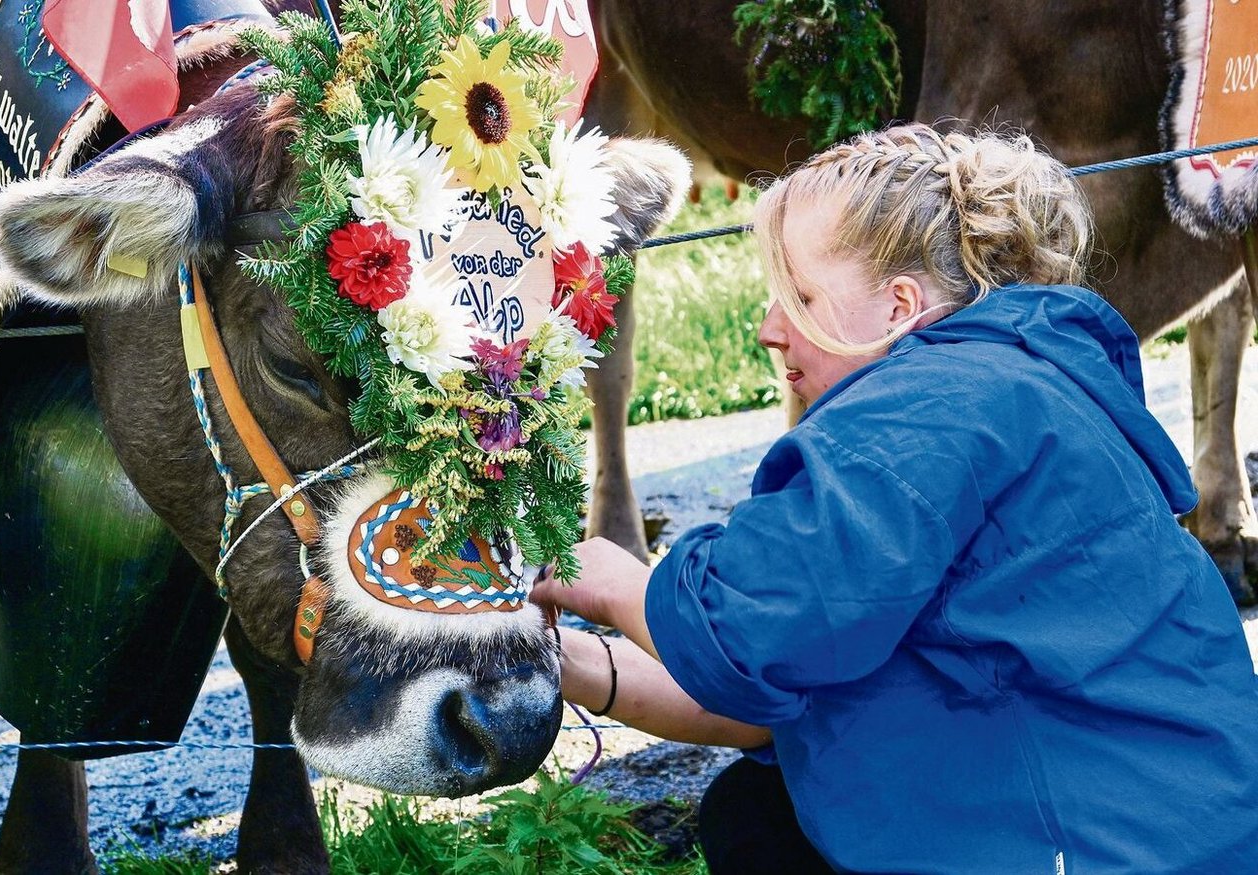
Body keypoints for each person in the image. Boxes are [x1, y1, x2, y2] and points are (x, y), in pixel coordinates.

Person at [532, 123, 1258, 874]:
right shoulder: (1011, 382)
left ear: (899, 306)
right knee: (755, 813)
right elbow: (785, 697)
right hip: (1180, 824)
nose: (769, 329)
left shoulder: (927, 407)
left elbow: (747, 627)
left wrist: (598, 571)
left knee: (764, 831)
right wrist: (574, 661)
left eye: (800, 296)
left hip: (1111, 851)